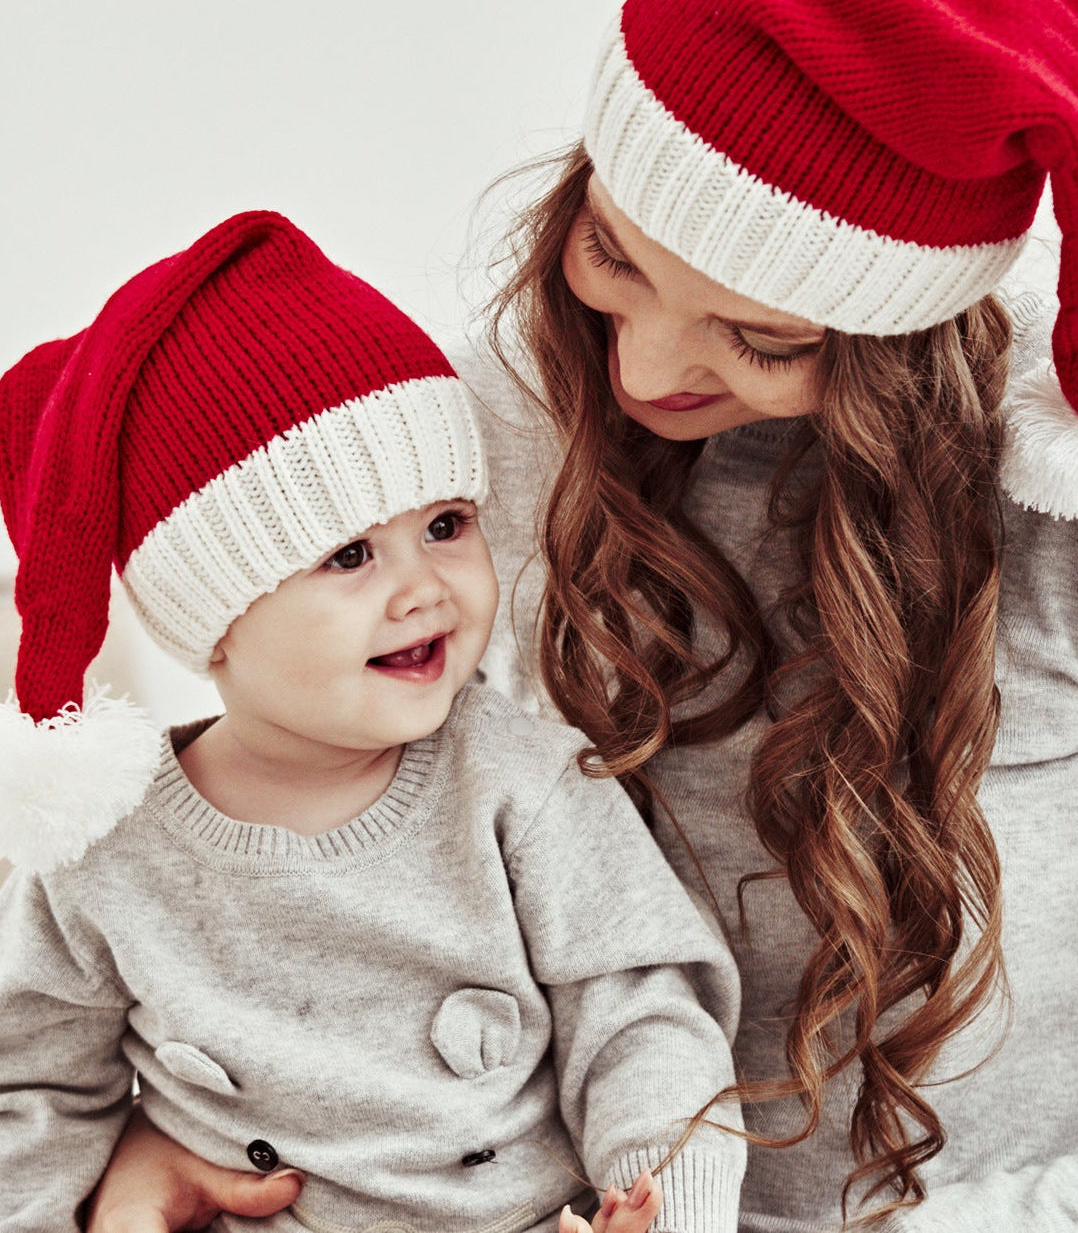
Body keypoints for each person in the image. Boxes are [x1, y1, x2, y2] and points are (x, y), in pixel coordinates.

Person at [86, 0, 1078, 1233]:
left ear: (903, 335)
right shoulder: (477, 438)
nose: (643, 371)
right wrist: (160, 1135)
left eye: (766, 338)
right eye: (614, 257)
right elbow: (291, 846)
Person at [0, 211, 747, 1233]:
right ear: (214, 620)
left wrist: (668, 1204)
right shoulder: (106, 852)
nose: (424, 587)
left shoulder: (520, 783)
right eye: (350, 556)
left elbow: (642, 1018)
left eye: (446, 525)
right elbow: (31, 1091)